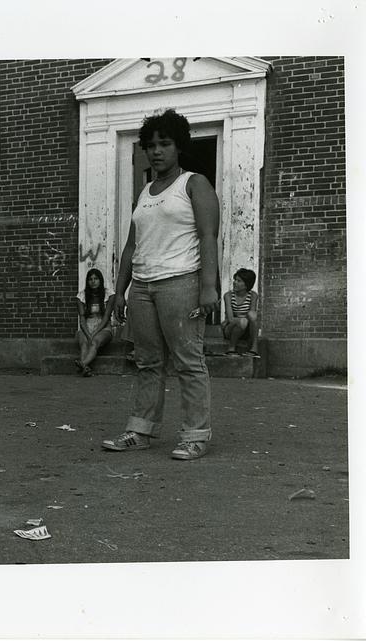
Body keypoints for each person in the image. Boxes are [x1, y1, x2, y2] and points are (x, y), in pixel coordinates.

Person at [102, 108, 220, 461]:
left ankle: (195, 436)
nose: (156, 151)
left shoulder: (194, 183)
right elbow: (131, 245)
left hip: (181, 282)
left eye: (165, 143)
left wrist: (209, 287)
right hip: (142, 287)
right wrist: (119, 291)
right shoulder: (146, 191)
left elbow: (208, 236)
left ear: (179, 146)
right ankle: (140, 431)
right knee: (147, 362)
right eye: (151, 145)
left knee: (188, 361)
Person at [74, 268, 114, 376]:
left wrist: (95, 333)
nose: (93, 281)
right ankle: (85, 369)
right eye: (90, 279)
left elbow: (106, 317)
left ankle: (82, 364)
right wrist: (88, 334)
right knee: (84, 344)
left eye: (96, 278)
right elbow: (82, 319)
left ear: (100, 280)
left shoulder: (109, 295)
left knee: (95, 341)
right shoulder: (81, 296)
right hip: (86, 326)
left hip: (103, 327)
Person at [222, 268, 260, 357]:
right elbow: (230, 319)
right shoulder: (228, 295)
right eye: (235, 280)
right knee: (244, 321)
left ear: (246, 284)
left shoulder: (253, 295)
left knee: (252, 315)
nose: (235, 282)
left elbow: (252, 315)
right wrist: (242, 319)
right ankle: (231, 348)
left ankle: (254, 349)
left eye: (239, 281)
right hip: (230, 329)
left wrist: (242, 318)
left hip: (246, 330)